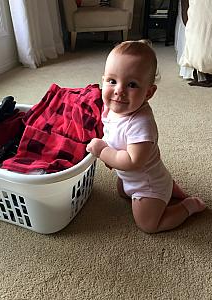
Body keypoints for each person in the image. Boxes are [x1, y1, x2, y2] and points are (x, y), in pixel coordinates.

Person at [86, 40, 206, 233]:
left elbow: (133, 161)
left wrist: (103, 151)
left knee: (148, 224)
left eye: (132, 84)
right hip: (131, 177)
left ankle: (186, 206)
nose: (119, 90)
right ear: (103, 80)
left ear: (149, 93)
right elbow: (112, 133)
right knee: (121, 192)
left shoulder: (141, 123)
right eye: (112, 81)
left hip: (147, 185)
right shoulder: (111, 108)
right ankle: (171, 187)